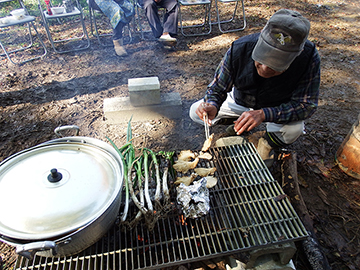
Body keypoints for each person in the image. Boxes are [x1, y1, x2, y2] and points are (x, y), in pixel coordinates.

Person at [189, 9, 321, 166]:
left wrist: (264, 114)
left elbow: (306, 105)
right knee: (195, 112)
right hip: (241, 100)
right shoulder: (240, 48)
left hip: (277, 106)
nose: (265, 68)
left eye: (276, 64)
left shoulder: (308, 58)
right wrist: (212, 104)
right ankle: (238, 126)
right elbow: (217, 87)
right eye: (262, 56)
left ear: (296, 56)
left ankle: (264, 142)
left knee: (294, 130)